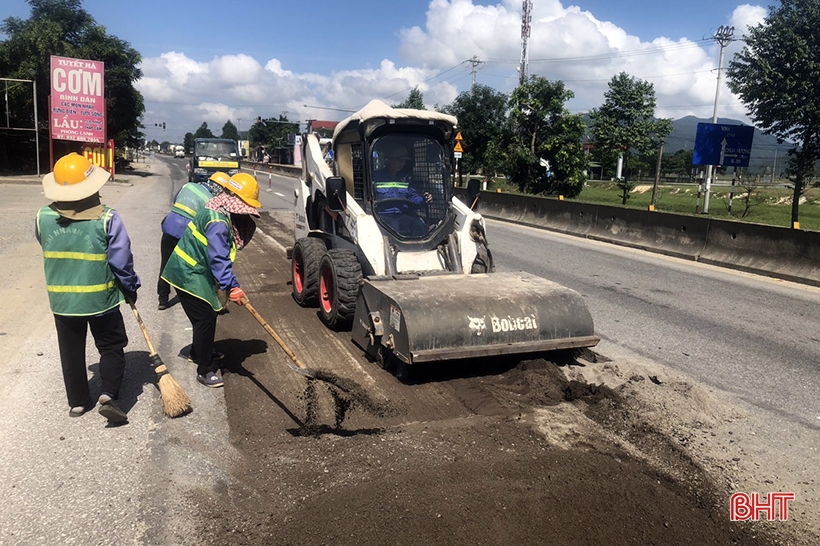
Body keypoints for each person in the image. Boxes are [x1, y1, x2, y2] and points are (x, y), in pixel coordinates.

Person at [35, 152, 141, 424]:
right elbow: (121, 262)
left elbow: (46, 243)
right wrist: (130, 287)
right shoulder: (108, 219)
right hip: (101, 301)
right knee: (111, 345)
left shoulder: (42, 217)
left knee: (70, 351)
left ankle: (78, 403)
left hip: (63, 302)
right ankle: (108, 393)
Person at [160, 172, 261, 388]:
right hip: (187, 273)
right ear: (233, 199)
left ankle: (198, 352)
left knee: (205, 317)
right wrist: (232, 286)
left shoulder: (218, 210)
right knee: (205, 318)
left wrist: (229, 284)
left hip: (192, 271)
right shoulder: (218, 222)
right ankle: (204, 369)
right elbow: (218, 258)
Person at [157, 172, 226, 310]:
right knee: (187, 266)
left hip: (169, 228)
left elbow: (176, 200)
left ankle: (163, 300)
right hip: (185, 236)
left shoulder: (188, 186)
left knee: (165, 264)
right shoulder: (210, 200)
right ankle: (190, 298)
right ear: (219, 188)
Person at [373, 145, 432, 237]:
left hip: (401, 215)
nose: (401, 163)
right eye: (398, 160)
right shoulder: (376, 177)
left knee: (419, 226)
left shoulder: (405, 178)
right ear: (389, 160)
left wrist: (423, 200)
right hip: (382, 216)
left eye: (403, 161)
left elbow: (413, 197)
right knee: (393, 227)